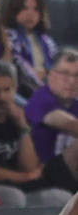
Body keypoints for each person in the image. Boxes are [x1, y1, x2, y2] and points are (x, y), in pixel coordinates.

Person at [0, 59, 70, 206]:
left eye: (7, 90)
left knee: (61, 198)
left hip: (21, 185)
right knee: (14, 198)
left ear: (15, 89)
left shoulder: (23, 116)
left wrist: (23, 128)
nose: (1, 97)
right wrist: (24, 177)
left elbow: (29, 166)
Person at [22, 48, 78, 196]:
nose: (72, 81)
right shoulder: (41, 99)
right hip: (44, 175)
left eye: (77, 75)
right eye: (65, 74)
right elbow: (70, 125)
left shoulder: (75, 102)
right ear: (50, 75)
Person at [0, 0, 58, 93]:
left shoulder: (46, 40)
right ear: (14, 10)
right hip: (23, 89)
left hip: (50, 85)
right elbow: (17, 67)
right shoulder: (8, 36)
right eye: (25, 8)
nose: (30, 14)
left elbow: (57, 64)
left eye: (36, 9)